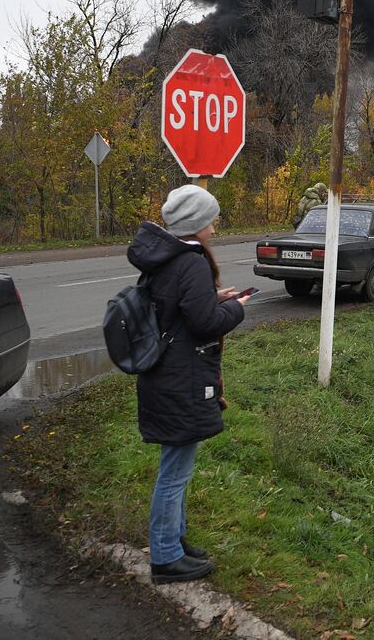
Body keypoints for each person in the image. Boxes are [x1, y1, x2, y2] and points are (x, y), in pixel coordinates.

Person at [127, 184, 248, 584]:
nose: (215, 225)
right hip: (181, 378)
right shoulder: (191, 262)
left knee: (175, 464)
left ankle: (174, 540)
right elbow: (204, 324)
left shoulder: (165, 257)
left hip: (163, 375)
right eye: (211, 218)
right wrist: (233, 307)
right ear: (196, 224)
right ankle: (165, 557)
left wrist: (213, 298)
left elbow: (179, 308)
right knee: (175, 471)